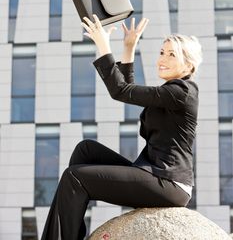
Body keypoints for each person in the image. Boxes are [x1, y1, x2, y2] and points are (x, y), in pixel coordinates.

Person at [41, 15, 203, 240]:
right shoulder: (170, 93)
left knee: (74, 177)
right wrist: (129, 48)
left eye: (172, 54)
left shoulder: (183, 92)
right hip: (152, 173)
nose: (162, 59)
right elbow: (127, 90)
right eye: (162, 52)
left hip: (169, 182)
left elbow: (121, 90)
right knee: (85, 150)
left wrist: (103, 44)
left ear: (189, 65)